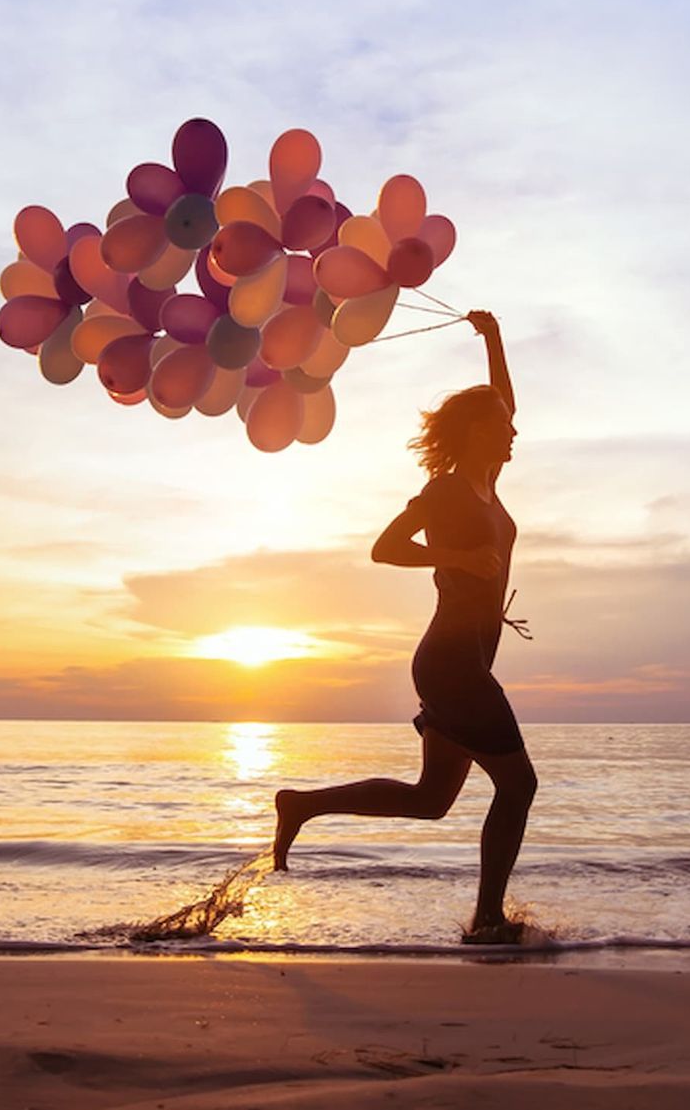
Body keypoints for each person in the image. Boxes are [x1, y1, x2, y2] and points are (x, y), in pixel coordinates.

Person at [272, 309, 535, 943]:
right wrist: (457, 556)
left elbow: (507, 402)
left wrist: (493, 338)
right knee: (519, 785)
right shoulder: (446, 491)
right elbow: (385, 547)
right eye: (500, 427)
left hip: (468, 659)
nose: (512, 434)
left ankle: (301, 804)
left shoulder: (486, 482)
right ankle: (488, 921)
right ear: (475, 432)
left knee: (431, 800)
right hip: (451, 663)